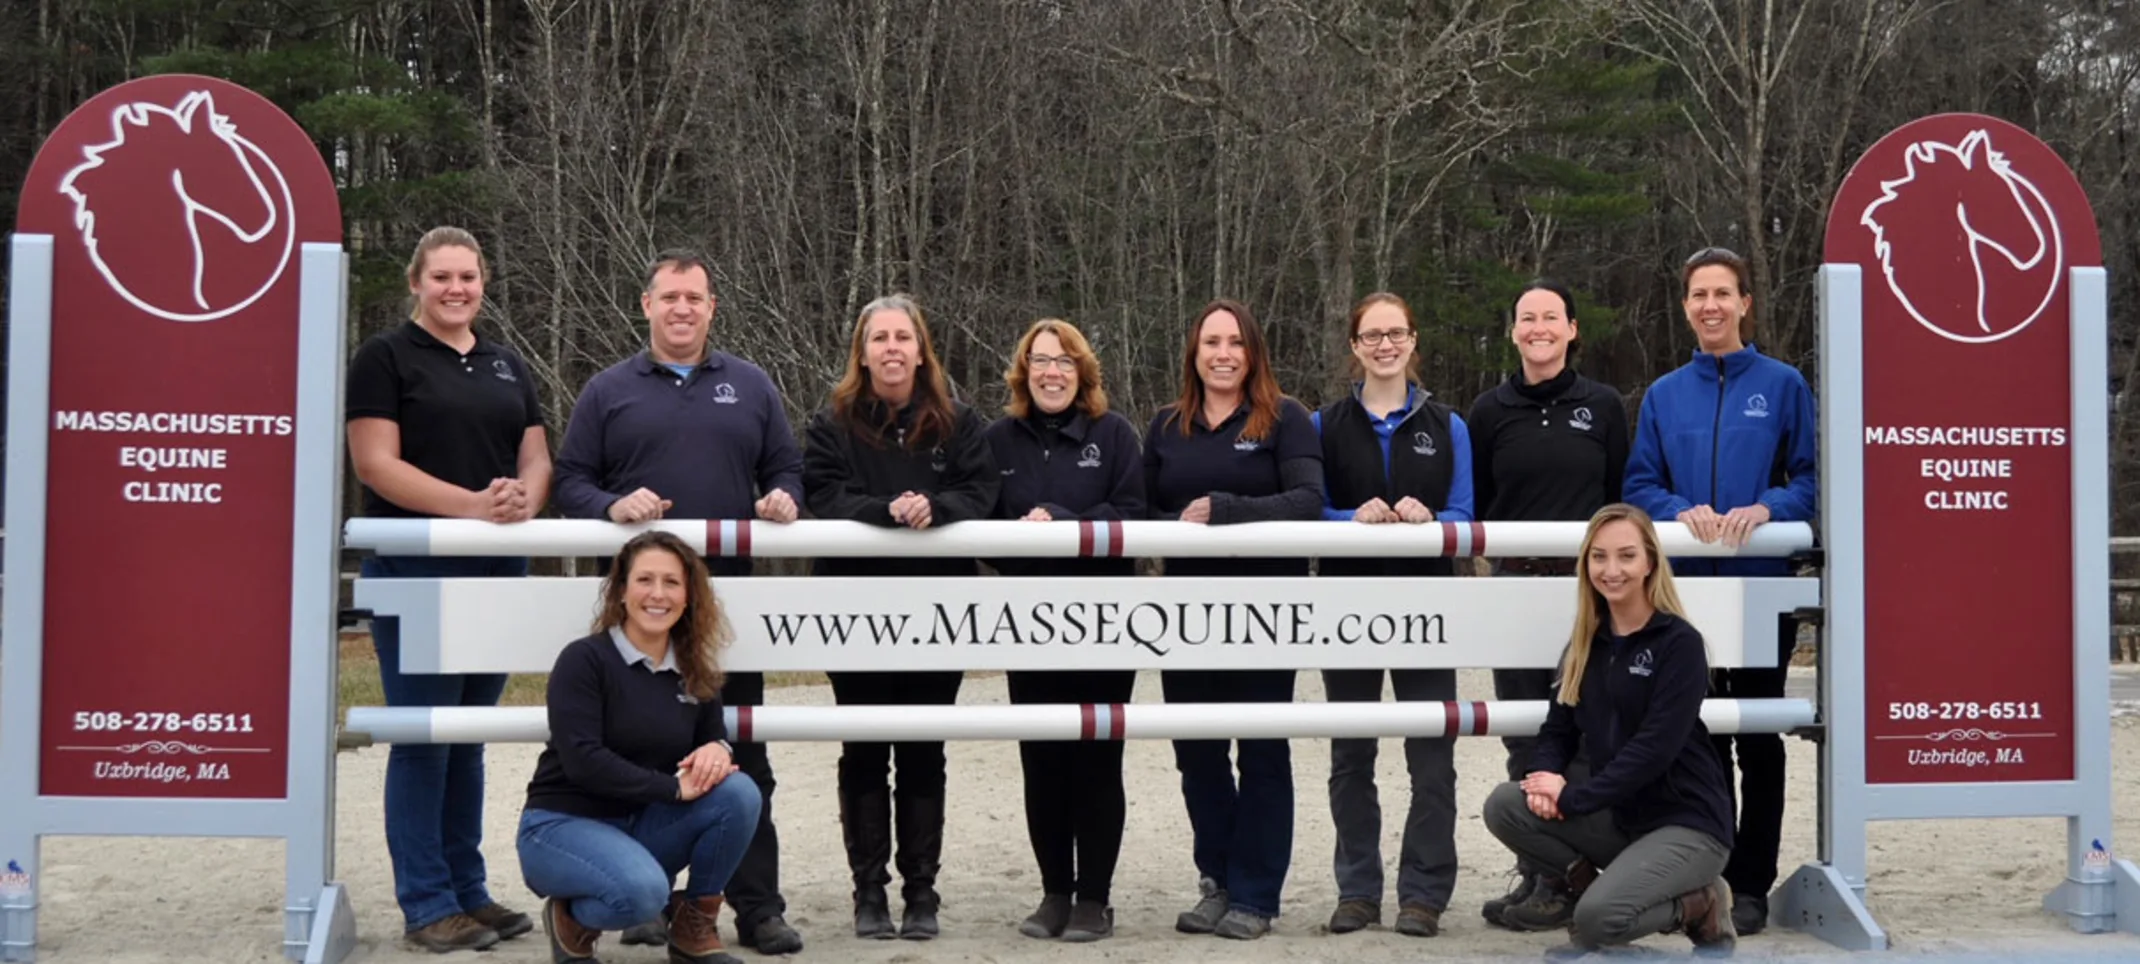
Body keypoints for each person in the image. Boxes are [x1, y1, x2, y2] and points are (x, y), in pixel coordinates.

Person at [551, 249, 808, 955]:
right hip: (641, 617)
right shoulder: (607, 390)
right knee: (643, 749)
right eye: (669, 297)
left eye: (695, 297)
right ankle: (646, 901)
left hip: (724, 611)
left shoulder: (751, 385)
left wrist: (786, 495)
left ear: (712, 306)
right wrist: (610, 502)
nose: (682, 309)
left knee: (740, 752)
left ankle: (755, 907)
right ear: (647, 305)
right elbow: (570, 480)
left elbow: (787, 464)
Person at [345, 226, 550, 953]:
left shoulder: (505, 363)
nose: (456, 289)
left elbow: (535, 457)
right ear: (416, 283)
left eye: (468, 277)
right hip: (418, 568)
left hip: (497, 568)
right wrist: (473, 506)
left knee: (469, 740)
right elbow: (375, 464)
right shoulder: (385, 358)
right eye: (442, 278)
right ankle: (427, 902)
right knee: (424, 738)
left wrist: (523, 500)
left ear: (483, 282)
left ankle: (469, 892)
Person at [1624, 246, 1817, 936]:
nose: (1710, 305)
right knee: (1695, 740)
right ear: (1685, 307)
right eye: (1698, 294)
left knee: (1760, 739)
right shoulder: (1663, 395)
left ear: (1744, 304)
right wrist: (1680, 510)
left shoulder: (1784, 384)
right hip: (1683, 603)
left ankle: (1752, 882)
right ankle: (1704, 876)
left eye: (1722, 294)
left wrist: (1770, 507)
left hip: (1760, 592)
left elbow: (1809, 480)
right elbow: (1639, 486)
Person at [802, 294, 1000, 941]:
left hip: (937, 615)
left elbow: (981, 492)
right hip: (854, 614)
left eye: (902, 337)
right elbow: (823, 494)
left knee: (922, 750)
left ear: (921, 349)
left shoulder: (959, 422)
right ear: (862, 351)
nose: (891, 348)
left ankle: (921, 893)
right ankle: (868, 894)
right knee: (863, 749)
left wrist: (935, 509)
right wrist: (885, 510)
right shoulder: (831, 423)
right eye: (879, 338)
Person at [1141, 298, 1324, 941]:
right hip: (1184, 617)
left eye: (1235, 343)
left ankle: (1256, 893)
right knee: (1198, 751)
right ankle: (1215, 880)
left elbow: (1306, 502)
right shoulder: (1166, 425)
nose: (1223, 354)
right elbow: (1140, 515)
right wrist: (1183, 525)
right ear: (1194, 351)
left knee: (1263, 750)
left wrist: (1225, 509)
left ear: (1253, 353)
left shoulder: (1287, 418)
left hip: (1265, 614)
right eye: (1211, 342)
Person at [1481, 503, 1737, 960]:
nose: (1611, 569)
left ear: (1650, 564)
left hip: (1687, 823)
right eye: (1599, 557)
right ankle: (1594, 895)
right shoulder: (1584, 643)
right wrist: (1543, 778)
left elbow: (1653, 751)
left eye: (1626, 556)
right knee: (1505, 805)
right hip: (1620, 817)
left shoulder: (1679, 644)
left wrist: (1573, 798)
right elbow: (1557, 730)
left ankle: (1701, 903)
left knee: (1599, 923)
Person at [515, 531, 764, 964]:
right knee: (644, 896)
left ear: (688, 596)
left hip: (639, 825)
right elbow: (583, 761)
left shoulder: (692, 667)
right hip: (562, 825)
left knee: (739, 792)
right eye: (644, 580)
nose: (657, 594)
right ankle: (570, 919)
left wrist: (719, 749)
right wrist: (671, 790)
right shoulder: (585, 660)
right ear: (622, 591)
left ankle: (692, 928)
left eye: (671, 582)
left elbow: (710, 733)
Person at [1465, 280, 1630, 927]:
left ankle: (1574, 875)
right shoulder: (1488, 410)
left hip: (1586, 595)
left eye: (1551, 317)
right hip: (1512, 587)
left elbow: (1620, 496)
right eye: (1527, 318)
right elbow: (1478, 501)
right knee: (1521, 734)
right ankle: (1540, 871)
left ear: (1572, 329)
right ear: (1514, 331)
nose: (1539, 327)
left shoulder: (1604, 405)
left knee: (1582, 735)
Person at [1309, 292, 1472, 939]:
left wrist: (1433, 520)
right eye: (1371, 335)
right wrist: (1353, 518)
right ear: (1355, 346)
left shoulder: (1447, 425)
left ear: (1412, 341)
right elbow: (1309, 510)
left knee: (1432, 755)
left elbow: (1466, 515)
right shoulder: (1324, 425)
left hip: (1427, 610)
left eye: (1395, 333)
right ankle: (1358, 891)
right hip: (1347, 611)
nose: (1384, 345)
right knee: (1352, 754)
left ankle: (1424, 894)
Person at [984, 319, 1147, 944]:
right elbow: (983, 523)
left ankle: (1094, 899)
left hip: (1103, 623)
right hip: (1028, 622)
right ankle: (1055, 891)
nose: (1052, 372)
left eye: (1064, 361)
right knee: (1041, 761)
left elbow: (1133, 513)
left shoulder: (1114, 435)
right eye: (1040, 360)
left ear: (1083, 371)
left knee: (1097, 761)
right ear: (1024, 371)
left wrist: (1066, 523)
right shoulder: (998, 440)